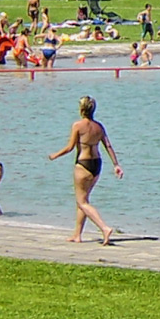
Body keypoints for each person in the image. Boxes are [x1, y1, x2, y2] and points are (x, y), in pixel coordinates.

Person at [48, 95, 123, 245]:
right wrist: (116, 164)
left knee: (82, 202)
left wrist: (55, 155)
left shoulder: (78, 125)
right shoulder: (99, 127)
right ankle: (77, 235)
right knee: (83, 199)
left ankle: (104, 228)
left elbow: (70, 147)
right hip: (97, 164)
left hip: (83, 164)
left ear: (81, 109)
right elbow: (108, 146)